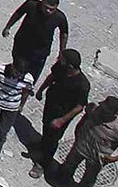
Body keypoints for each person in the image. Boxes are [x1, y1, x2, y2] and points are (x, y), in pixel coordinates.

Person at [57, 95, 118, 187]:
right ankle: (63, 178)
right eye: (102, 107)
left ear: (115, 114)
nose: (102, 110)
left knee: (89, 178)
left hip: (96, 157)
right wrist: (79, 131)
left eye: (106, 110)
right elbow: (86, 113)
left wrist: (113, 159)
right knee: (70, 163)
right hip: (81, 146)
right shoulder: (94, 109)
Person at [27, 49, 89, 177]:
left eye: (62, 59)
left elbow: (79, 107)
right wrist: (41, 90)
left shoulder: (82, 84)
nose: (59, 60)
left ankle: (42, 164)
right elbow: (51, 77)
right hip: (51, 105)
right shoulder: (61, 68)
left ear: (70, 65)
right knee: (45, 126)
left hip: (63, 114)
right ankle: (41, 145)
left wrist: (62, 120)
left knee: (53, 139)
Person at [3, 0, 69, 76]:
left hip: (40, 51)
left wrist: (62, 51)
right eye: (46, 7)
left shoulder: (59, 17)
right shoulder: (31, 5)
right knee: (16, 69)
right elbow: (18, 13)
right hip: (21, 44)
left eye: (52, 9)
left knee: (32, 75)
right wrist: (8, 27)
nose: (48, 11)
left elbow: (64, 33)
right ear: (42, 2)